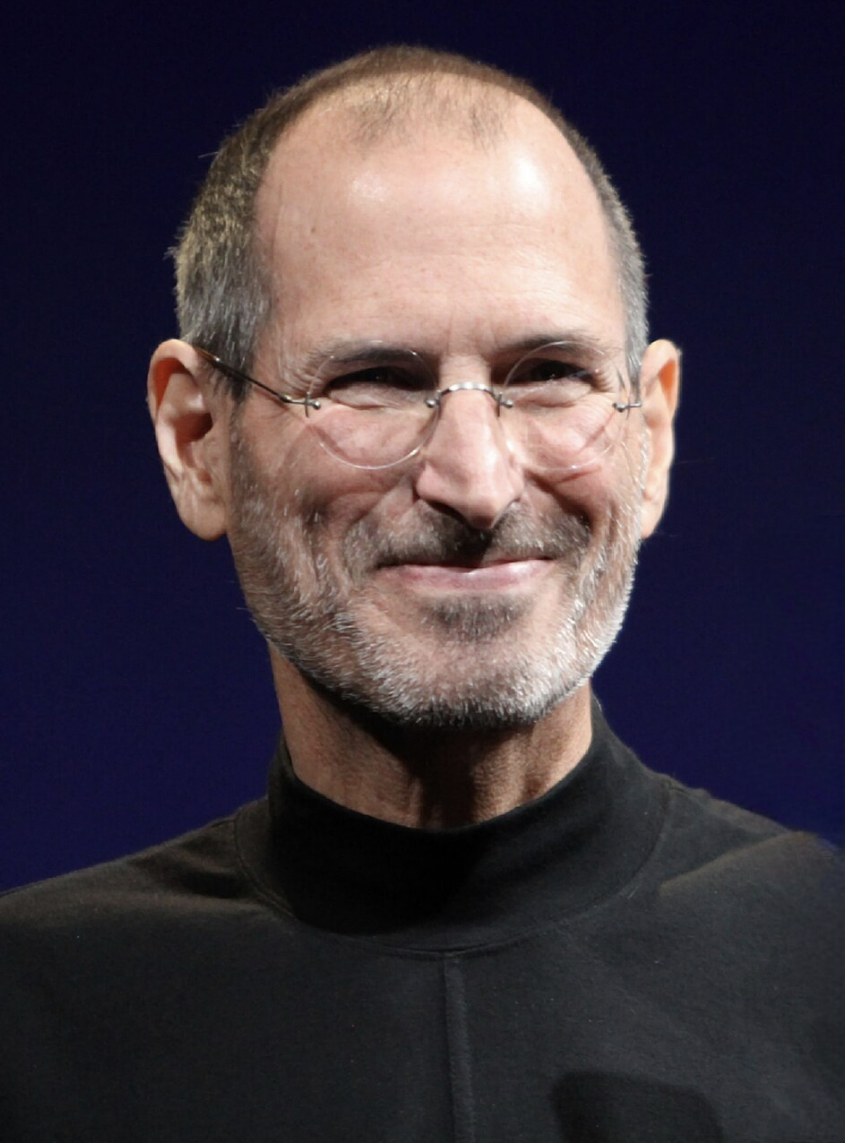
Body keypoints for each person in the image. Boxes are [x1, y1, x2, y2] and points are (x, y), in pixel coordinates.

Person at [1, 46, 841, 1142]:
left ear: (651, 433)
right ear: (198, 440)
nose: (475, 483)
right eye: (374, 382)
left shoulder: (824, 964)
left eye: (550, 374)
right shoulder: (32, 1024)